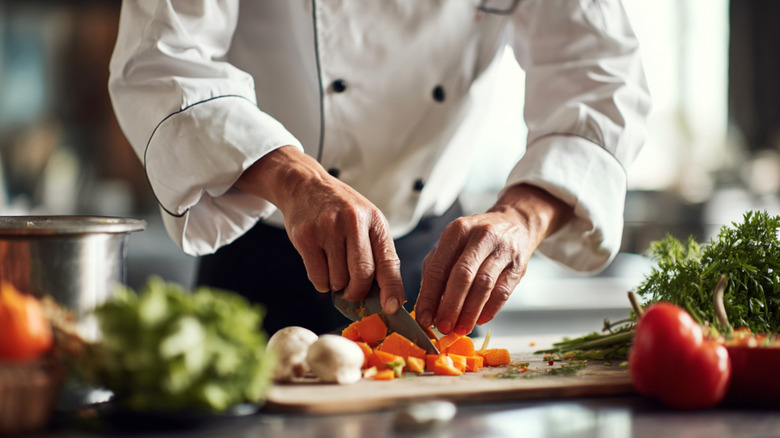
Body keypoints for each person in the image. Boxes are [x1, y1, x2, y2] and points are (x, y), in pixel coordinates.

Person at [108, 0, 650, 336]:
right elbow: (161, 60)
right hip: (260, 257)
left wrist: (523, 215)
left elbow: (600, 74)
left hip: (439, 267)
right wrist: (297, 180)